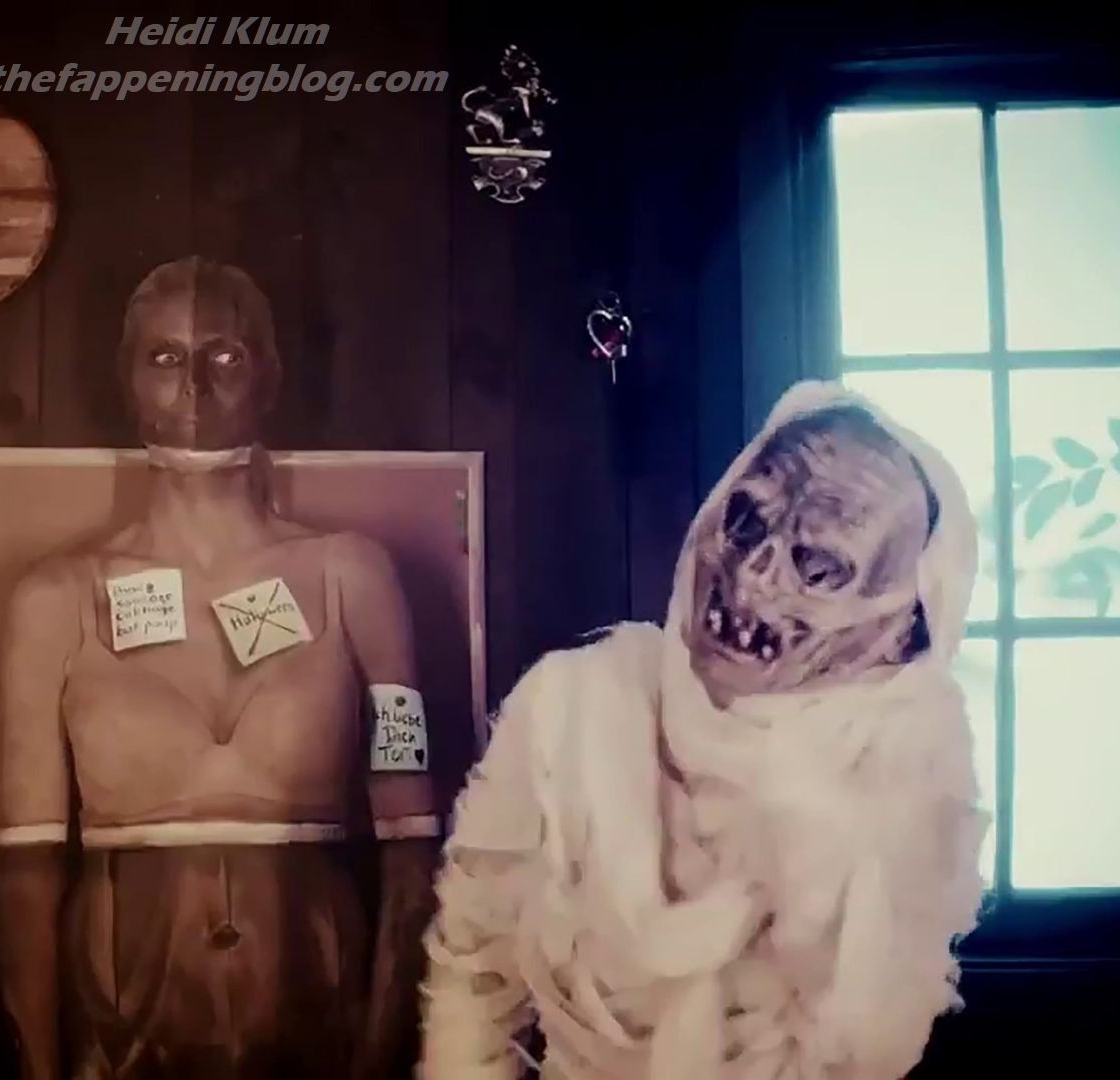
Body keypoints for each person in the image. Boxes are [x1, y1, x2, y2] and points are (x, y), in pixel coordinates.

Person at [420, 381, 987, 1079]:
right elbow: (472, 980)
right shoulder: (570, 706)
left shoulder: (911, 777)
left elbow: (866, 1051)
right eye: (746, 521)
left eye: (818, 565)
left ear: (902, 629)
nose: (752, 574)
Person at [0, 257, 440, 1079]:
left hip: (320, 1025)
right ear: (127, 375)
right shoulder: (57, 597)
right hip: (121, 1034)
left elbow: (412, 845)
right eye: (165, 357)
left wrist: (380, 1062)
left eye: (225, 355)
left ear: (270, 375)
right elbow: (26, 873)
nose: (194, 385)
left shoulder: (352, 577)